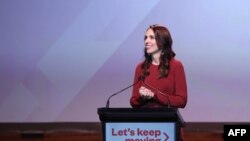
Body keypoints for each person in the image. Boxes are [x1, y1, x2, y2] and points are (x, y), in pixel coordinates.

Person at [130, 24, 187, 141]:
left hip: (168, 128)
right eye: (145, 38)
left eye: (151, 37)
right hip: (145, 130)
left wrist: (155, 96)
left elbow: (182, 100)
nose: (146, 41)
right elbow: (133, 101)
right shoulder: (140, 68)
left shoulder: (176, 66)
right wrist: (142, 97)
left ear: (162, 40)